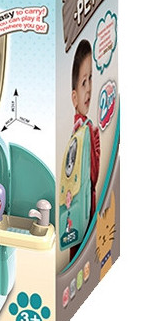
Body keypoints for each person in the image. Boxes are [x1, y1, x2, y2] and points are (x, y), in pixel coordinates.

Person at [71, 39, 100, 222]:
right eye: (83, 82)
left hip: (85, 201)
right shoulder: (83, 130)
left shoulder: (85, 129)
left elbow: (93, 176)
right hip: (82, 202)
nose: (89, 88)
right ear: (74, 97)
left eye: (90, 79)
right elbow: (92, 175)